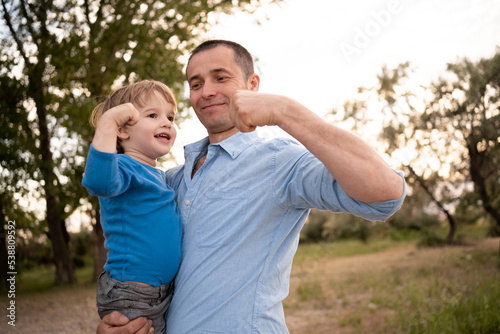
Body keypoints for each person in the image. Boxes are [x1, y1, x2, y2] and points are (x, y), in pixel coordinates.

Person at [97, 40, 406, 334]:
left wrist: (283, 111)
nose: (207, 91)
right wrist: (116, 323)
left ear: (252, 86)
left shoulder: (280, 162)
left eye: (220, 77)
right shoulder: (170, 181)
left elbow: (385, 195)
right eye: (196, 83)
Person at [83, 80, 182, 334]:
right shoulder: (123, 166)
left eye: (170, 117)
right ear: (123, 131)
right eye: (152, 115)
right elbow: (97, 182)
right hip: (131, 293)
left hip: (160, 293)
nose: (166, 122)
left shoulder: (159, 176)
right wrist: (107, 124)